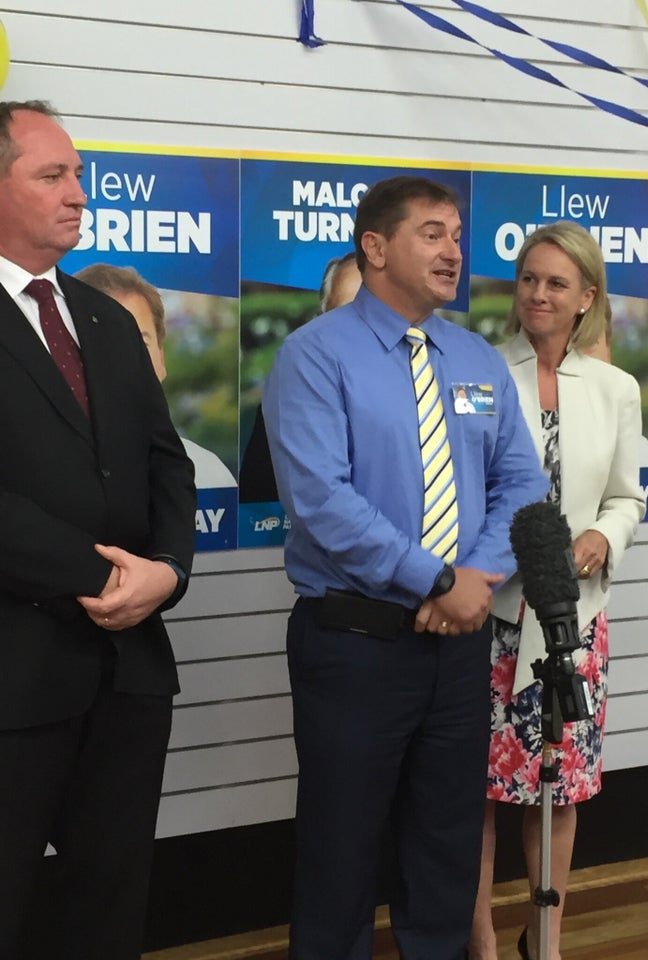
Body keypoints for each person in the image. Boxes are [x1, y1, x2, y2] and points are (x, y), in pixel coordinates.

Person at [263, 175, 548, 960]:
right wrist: (437, 579)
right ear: (376, 247)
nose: (453, 249)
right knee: (340, 853)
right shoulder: (315, 356)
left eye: (457, 233)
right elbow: (323, 501)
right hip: (354, 646)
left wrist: (475, 580)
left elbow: (523, 481)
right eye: (431, 232)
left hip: (457, 648)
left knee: (448, 848)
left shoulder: (475, 357)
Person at [0, 100, 196, 960]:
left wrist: (169, 572)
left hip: (128, 674)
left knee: (110, 909)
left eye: (78, 174)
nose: (78, 193)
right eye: (52, 176)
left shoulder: (108, 319)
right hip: (14, 676)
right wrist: (102, 574)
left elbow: (169, 468)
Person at [470, 222, 646, 960]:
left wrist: (606, 536)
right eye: (528, 279)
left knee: (561, 787)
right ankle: (476, 937)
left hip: (576, 623)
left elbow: (625, 497)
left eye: (556, 283)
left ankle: (545, 940)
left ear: (587, 298)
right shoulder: (475, 370)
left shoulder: (615, 387)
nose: (538, 295)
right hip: (488, 615)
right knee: (476, 790)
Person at [74, 263, 237, 489]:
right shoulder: (33, 477)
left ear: (161, 358)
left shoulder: (208, 474)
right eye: (103, 341)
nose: (125, 359)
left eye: (140, 341)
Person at [239, 250, 361, 503]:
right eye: (343, 316)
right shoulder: (289, 401)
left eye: (373, 316)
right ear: (318, 321)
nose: (359, 331)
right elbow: (258, 498)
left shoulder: (425, 393)